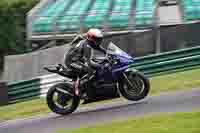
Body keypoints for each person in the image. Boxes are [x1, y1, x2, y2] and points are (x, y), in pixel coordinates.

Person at [63, 28, 107, 97]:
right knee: (90, 70)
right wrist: (99, 65)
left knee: (96, 66)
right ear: (91, 38)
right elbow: (88, 61)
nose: (99, 41)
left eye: (99, 39)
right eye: (97, 39)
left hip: (78, 60)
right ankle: (78, 88)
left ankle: (92, 87)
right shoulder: (87, 45)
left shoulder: (90, 42)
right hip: (71, 62)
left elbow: (100, 48)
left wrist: (108, 54)